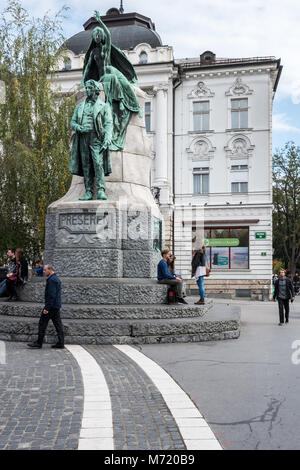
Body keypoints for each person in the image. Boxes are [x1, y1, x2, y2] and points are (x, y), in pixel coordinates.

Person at [80, 11, 142, 151]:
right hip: (103, 77)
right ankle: (122, 103)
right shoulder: (93, 53)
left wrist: (100, 21)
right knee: (112, 78)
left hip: (111, 71)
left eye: (98, 34)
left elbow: (108, 34)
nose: (97, 37)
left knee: (124, 82)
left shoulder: (106, 48)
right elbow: (88, 68)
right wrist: (82, 84)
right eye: (94, 35)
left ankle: (132, 104)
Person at [70, 79, 113, 201]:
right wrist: (79, 127)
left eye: (89, 88)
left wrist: (107, 138)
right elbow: (73, 122)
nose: (87, 90)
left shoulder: (103, 106)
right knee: (86, 165)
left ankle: (100, 190)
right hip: (83, 137)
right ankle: (88, 191)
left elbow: (109, 123)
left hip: (96, 138)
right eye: (86, 88)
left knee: (98, 164)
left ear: (95, 90)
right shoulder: (80, 107)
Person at [27, 265, 64, 349]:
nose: (43, 272)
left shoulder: (52, 280)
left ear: (50, 270)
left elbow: (51, 295)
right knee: (58, 324)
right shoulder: (55, 278)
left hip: (51, 306)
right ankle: (61, 343)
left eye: (45, 270)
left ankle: (39, 343)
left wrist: (47, 308)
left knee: (42, 323)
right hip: (55, 306)